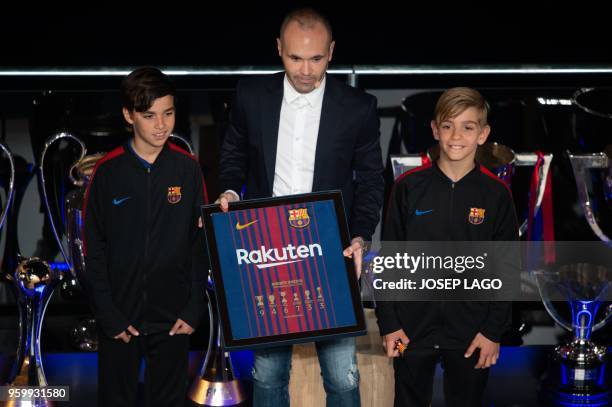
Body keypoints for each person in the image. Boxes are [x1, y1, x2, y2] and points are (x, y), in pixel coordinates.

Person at [217, 7, 384, 406]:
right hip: (266, 247)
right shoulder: (251, 96)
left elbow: (371, 180)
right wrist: (230, 192)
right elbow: (233, 154)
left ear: (331, 52)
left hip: (330, 247)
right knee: (269, 373)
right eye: (295, 58)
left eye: (316, 58)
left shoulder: (358, 106)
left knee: (342, 374)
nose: (306, 70)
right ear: (278, 49)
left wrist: (360, 237)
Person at [376, 87, 519, 406]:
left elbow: (507, 270)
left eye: (468, 127)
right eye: (448, 125)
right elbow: (389, 263)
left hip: (472, 334)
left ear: (483, 134)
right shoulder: (407, 188)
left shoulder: (496, 195)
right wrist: (390, 325)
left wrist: (492, 332)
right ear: (434, 129)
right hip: (409, 334)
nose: (457, 136)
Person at [83, 67, 208, 407]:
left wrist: (193, 307)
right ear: (129, 115)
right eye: (149, 115)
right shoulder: (107, 172)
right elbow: (93, 250)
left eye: (168, 113)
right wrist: (108, 314)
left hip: (173, 321)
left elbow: (200, 245)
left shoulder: (188, 169)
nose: (161, 125)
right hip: (120, 321)